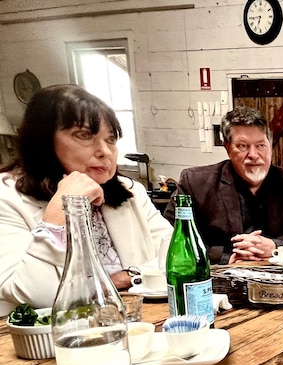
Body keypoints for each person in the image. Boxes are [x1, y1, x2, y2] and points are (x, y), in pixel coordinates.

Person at [0, 84, 173, 316]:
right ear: (43, 140)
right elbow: (36, 295)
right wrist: (62, 208)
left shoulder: (130, 192)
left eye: (111, 139)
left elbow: (175, 257)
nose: (105, 151)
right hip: (46, 343)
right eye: (84, 135)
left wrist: (119, 278)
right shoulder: (7, 197)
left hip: (135, 324)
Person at [164, 106, 283, 264]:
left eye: (260, 145)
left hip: (280, 278)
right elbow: (170, 237)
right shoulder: (194, 183)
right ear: (227, 148)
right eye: (243, 146)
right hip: (219, 280)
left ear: (270, 145)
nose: (253, 155)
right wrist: (225, 257)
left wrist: (275, 246)